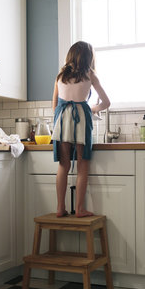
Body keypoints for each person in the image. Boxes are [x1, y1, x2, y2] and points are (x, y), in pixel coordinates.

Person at [51, 41, 111, 217]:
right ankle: (79, 209)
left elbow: (54, 105)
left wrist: (61, 120)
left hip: (62, 120)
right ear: (88, 57)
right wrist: (91, 108)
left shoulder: (60, 75)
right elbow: (106, 102)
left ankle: (60, 208)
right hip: (81, 119)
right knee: (82, 165)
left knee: (63, 165)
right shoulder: (90, 74)